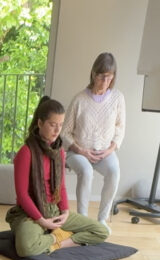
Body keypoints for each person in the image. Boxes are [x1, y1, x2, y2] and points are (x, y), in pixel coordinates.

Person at [7, 97, 110, 257]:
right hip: (30, 214)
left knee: (101, 231)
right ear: (40, 123)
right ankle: (57, 235)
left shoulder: (59, 152)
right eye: (52, 125)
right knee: (25, 248)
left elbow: (61, 186)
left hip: (54, 210)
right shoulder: (26, 152)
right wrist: (42, 221)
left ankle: (60, 242)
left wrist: (66, 212)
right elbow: (22, 195)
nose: (57, 131)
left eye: (60, 125)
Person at [63, 52, 126, 224]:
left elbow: (120, 129)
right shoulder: (79, 100)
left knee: (114, 172)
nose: (105, 82)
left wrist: (110, 149)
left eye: (109, 78)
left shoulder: (118, 98)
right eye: (101, 77)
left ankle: (102, 220)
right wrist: (80, 150)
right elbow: (65, 132)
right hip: (78, 152)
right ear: (93, 74)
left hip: (104, 152)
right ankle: (83, 220)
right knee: (86, 171)